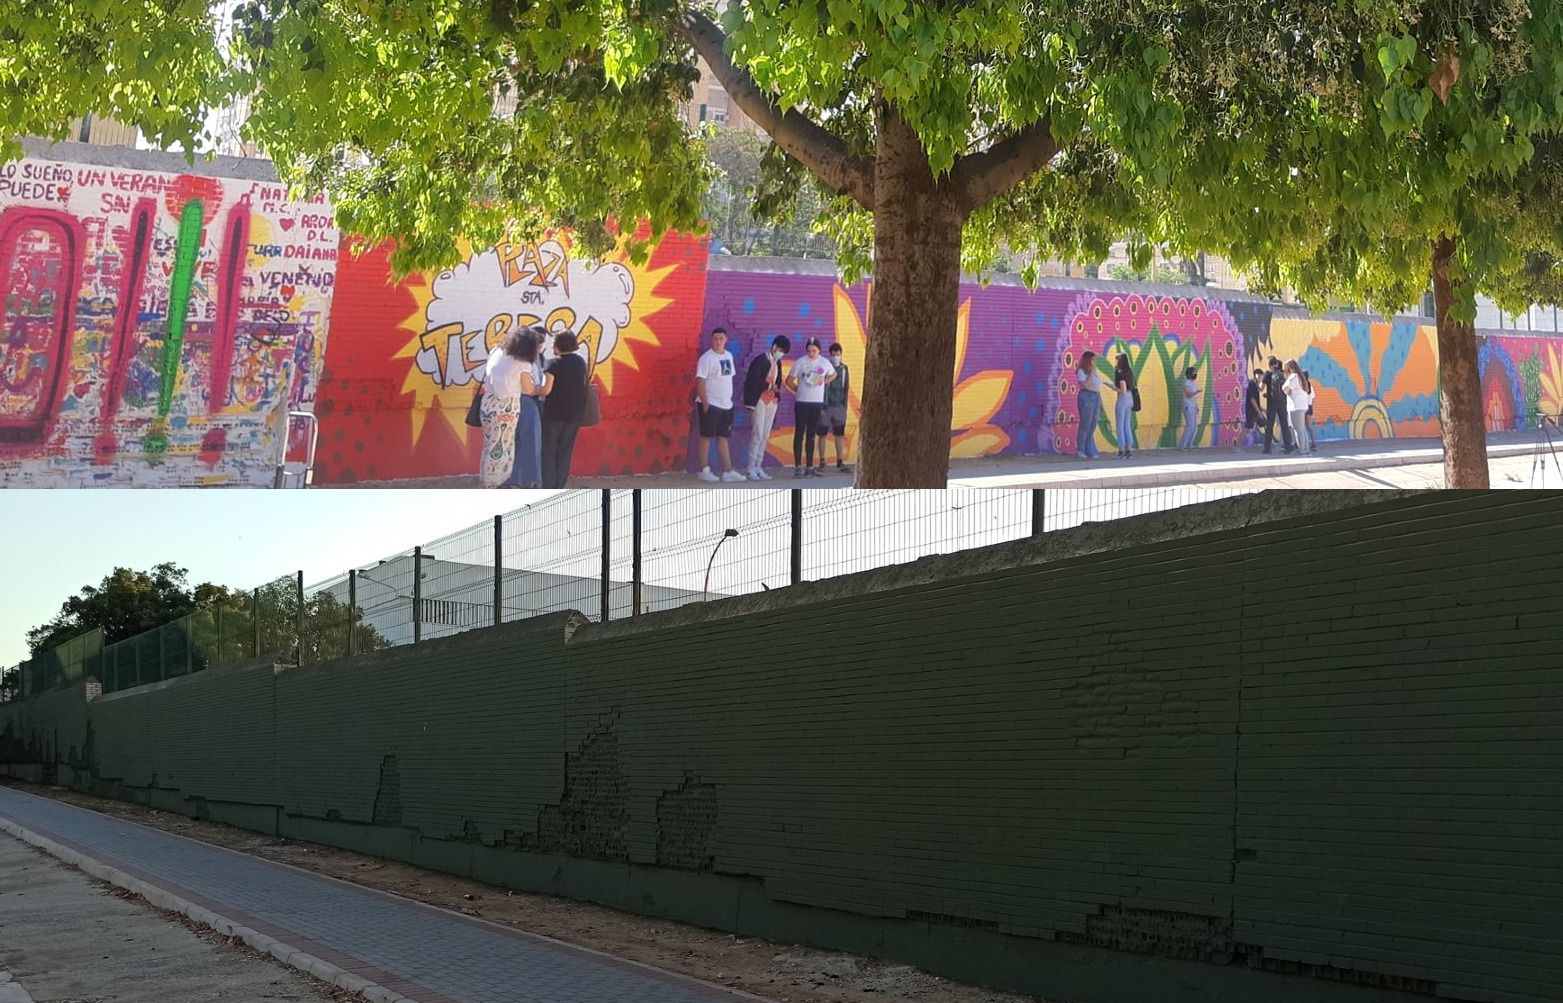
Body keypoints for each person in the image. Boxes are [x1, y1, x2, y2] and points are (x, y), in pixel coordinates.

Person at [476, 327, 534, 488]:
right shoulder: (522, 363)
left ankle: (486, 479)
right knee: (501, 446)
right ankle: (493, 483)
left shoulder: (496, 351)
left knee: (489, 443)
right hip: (506, 406)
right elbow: (529, 389)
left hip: (488, 402)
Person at [694, 327, 745, 483]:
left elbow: (728, 379)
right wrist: (706, 404)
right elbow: (700, 381)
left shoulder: (729, 356)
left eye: (720, 339)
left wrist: (730, 401)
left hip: (726, 405)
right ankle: (704, 469)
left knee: (723, 437)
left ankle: (728, 470)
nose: (718, 342)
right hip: (711, 404)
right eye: (715, 339)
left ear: (726, 340)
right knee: (706, 437)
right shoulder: (706, 358)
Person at [506, 326, 552, 488]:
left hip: (524, 402)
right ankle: (525, 479)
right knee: (527, 441)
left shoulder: (537, 358)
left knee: (523, 442)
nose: (540, 346)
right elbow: (530, 388)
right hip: (527, 401)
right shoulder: (525, 362)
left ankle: (519, 479)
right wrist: (543, 390)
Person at [540, 331, 587, 489]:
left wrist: (532, 390)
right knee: (565, 452)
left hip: (554, 414)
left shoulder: (553, 364)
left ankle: (548, 485)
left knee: (549, 451)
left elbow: (546, 390)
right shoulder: (580, 362)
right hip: (574, 415)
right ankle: (560, 484)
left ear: (559, 346)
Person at [741, 334, 789, 480]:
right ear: (774, 347)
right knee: (757, 433)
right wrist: (770, 386)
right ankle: (750, 468)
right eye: (780, 350)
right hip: (759, 401)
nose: (781, 354)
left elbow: (778, 381)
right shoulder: (760, 360)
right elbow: (752, 381)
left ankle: (758, 466)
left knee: (765, 434)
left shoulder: (778, 363)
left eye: (783, 352)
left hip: (771, 402)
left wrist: (776, 391)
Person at [786, 337, 836, 477]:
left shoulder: (824, 363)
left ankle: (809, 465)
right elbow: (789, 380)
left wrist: (825, 381)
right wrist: (798, 389)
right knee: (800, 433)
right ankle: (797, 466)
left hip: (816, 402)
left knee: (811, 435)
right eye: (809, 351)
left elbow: (834, 374)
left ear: (819, 350)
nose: (812, 353)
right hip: (802, 402)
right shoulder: (800, 362)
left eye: (814, 351)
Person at [815, 342, 852, 472]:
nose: (836, 356)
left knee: (839, 434)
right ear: (829, 355)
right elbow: (817, 383)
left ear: (841, 355)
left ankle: (840, 461)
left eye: (838, 354)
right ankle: (822, 461)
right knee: (822, 434)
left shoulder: (844, 369)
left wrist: (845, 406)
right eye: (833, 354)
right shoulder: (824, 367)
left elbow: (846, 388)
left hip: (839, 407)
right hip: (825, 407)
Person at [1262, 356, 1297, 454]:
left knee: (1269, 425)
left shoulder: (1268, 374)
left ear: (1269, 365)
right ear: (1277, 364)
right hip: (1282, 403)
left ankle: (1267, 448)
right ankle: (1288, 447)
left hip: (1271, 404)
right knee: (1284, 425)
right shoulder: (1284, 374)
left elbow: (1261, 388)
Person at [1075, 351, 1103, 459]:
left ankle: (1089, 448)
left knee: (1093, 424)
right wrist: (1091, 375)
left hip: (1095, 396)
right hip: (1087, 397)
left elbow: (1098, 386)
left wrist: (1100, 403)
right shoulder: (1082, 372)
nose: (1094, 362)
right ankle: (1081, 449)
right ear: (1088, 360)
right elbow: (1086, 385)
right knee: (1085, 424)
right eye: (1092, 360)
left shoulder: (1093, 371)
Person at [1283, 360, 1311, 453]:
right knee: (1302, 429)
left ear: (1289, 368)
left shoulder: (1293, 377)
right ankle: (1306, 448)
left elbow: (1284, 387)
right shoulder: (1300, 376)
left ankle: (1302, 449)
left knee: (1297, 430)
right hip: (1302, 405)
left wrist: (1287, 391)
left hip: (1295, 406)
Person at [1113, 353, 1136, 459]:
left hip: (1122, 399)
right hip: (1130, 398)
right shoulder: (1130, 372)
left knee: (1120, 425)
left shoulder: (1120, 373)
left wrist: (1111, 386)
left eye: (1117, 360)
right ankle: (1129, 450)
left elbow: (1122, 390)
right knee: (1127, 425)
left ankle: (1121, 450)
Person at [1179, 366, 1200, 451]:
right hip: (1188, 406)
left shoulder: (1193, 383)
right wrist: (1197, 391)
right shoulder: (1186, 383)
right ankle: (1183, 445)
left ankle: (1190, 444)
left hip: (1192, 406)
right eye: (1193, 373)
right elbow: (1188, 395)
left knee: (1194, 426)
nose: (1195, 374)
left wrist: (1196, 406)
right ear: (1189, 374)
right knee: (1190, 425)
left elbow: (1193, 398)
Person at [1243, 369, 1264, 449]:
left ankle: (1270, 443)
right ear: (1255, 375)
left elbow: (1257, 396)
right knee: (1247, 427)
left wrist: (1262, 409)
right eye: (1259, 376)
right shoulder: (1252, 384)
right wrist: (1259, 411)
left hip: (1255, 410)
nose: (1260, 378)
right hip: (1251, 410)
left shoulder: (1255, 385)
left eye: (1261, 376)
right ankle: (1238, 446)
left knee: (1265, 424)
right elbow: (1252, 399)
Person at [1303, 368, 1319, 451]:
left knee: (1301, 426)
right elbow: (1313, 397)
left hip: (1303, 407)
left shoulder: (1302, 385)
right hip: (1309, 407)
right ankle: (1313, 442)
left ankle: (1303, 443)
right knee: (1309, 426)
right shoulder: (1310, 385)